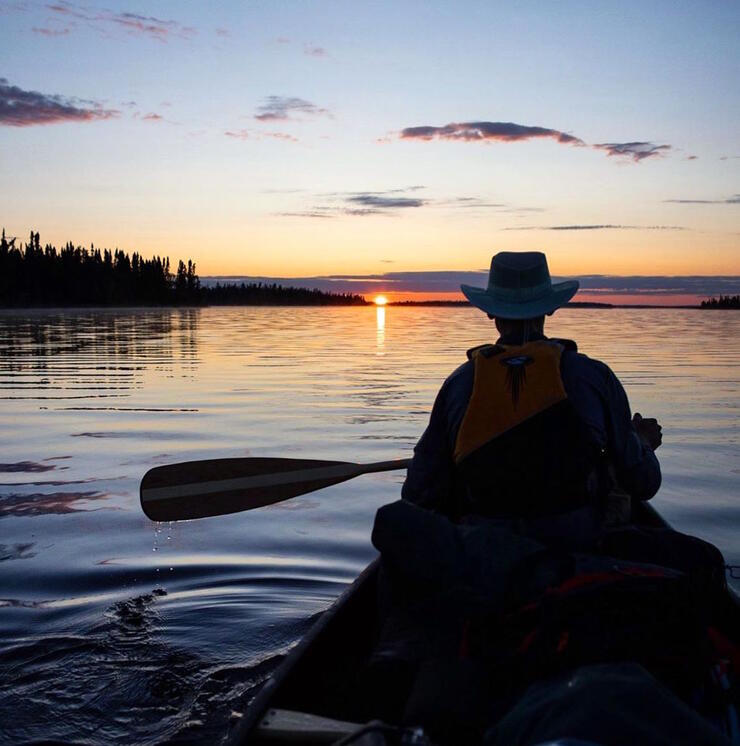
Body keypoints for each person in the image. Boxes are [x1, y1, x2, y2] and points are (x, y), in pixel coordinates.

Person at [402, 251, 662, 540]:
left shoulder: (459, 383)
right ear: (550, 309)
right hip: (575, 549)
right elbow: (643, 482)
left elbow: (418, 493)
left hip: (483, 553)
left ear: (490, 311)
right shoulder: (595, 377)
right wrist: (643, 443)